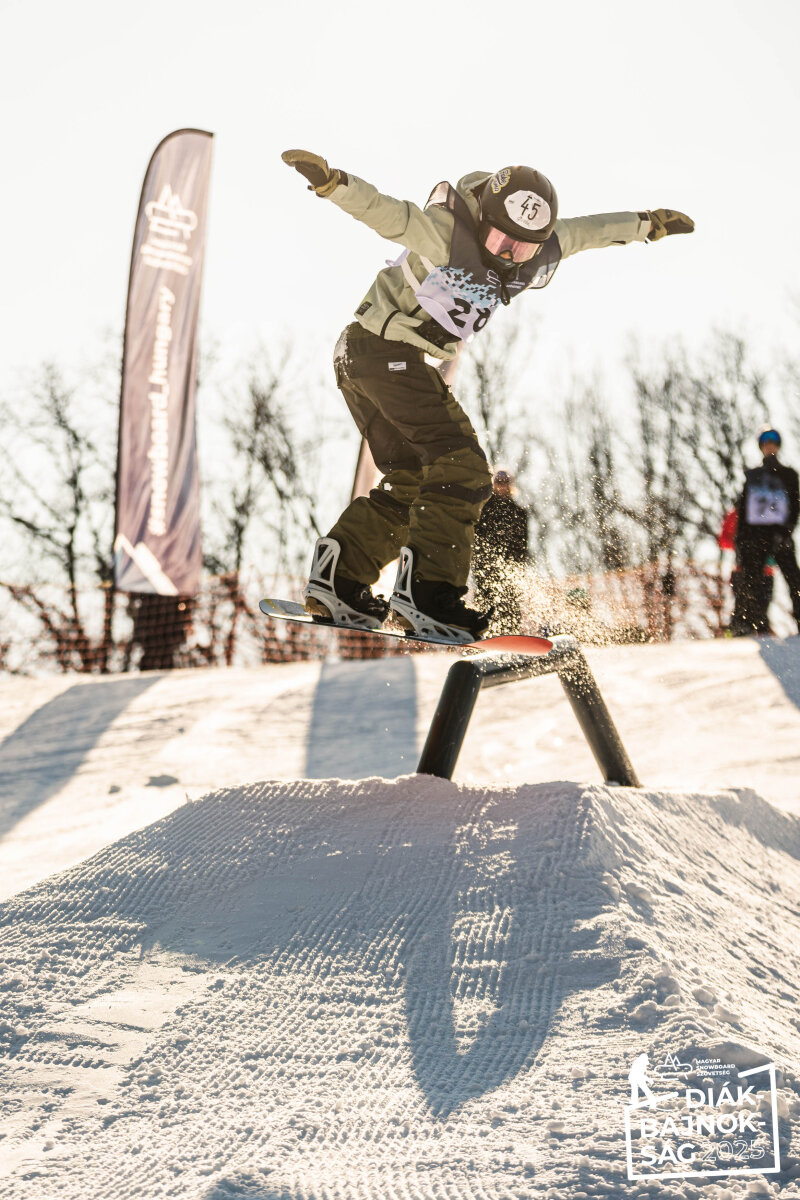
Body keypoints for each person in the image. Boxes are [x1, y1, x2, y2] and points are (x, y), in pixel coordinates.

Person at [282, 148, 694, 643]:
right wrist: (334, 183)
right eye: (500, 240)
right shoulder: (446, 232)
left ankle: (340, 579)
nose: (507, 255)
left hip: (363, 357)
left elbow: (590, 231)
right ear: (484, 222)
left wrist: (646, 224)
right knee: (464, 467)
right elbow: (389, 214)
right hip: (386, 354)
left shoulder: (538, 246)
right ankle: (429, 593)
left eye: (522, 251)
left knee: (414, 476)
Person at [731, 427, 800, 635]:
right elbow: (743, 510)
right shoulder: (752, 476)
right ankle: (751, 623)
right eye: (765, 442)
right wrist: (740, 538)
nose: (769, 445)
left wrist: (786, 531)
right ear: (761, 446)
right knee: (751, 579)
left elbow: (795, 505)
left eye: (773, 441)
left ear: (778, 446)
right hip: (754, 536)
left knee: (794, 579)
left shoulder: (788, 475)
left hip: (780, 533)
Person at [472, 468, 529, 634]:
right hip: (486, 568)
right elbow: (476, 538)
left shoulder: (519, 513)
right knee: (486, 602)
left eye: (505, 482)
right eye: (498, 482)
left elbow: (522, 545)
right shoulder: (483, 510)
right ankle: (485, 634)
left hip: (511, 568)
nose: (502, 486)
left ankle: (510, 634)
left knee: (510, 603)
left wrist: (518, 567)